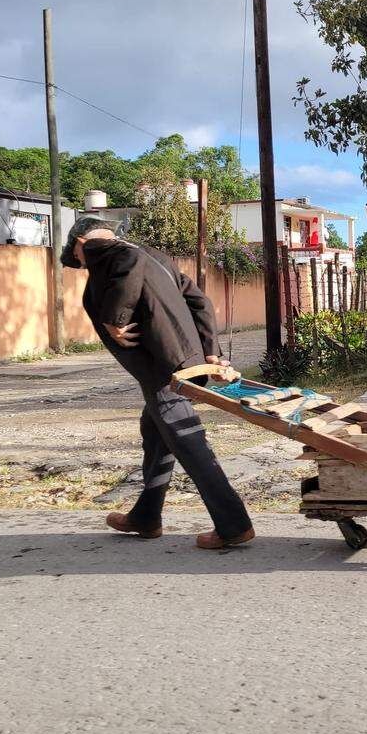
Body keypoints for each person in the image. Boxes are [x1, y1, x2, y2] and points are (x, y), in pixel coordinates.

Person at [60, 216, 255, 549]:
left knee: (185, 438)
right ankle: (146, 515)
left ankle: (233, 523)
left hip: (161, 365)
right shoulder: (154, 256)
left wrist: (114, 319)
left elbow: (127, 263)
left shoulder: (106, 250)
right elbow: (200, 302)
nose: (82, 264)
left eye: (77, 258)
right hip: (183, 359)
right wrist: (210, 352)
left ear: (80, 242)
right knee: (154, 429)